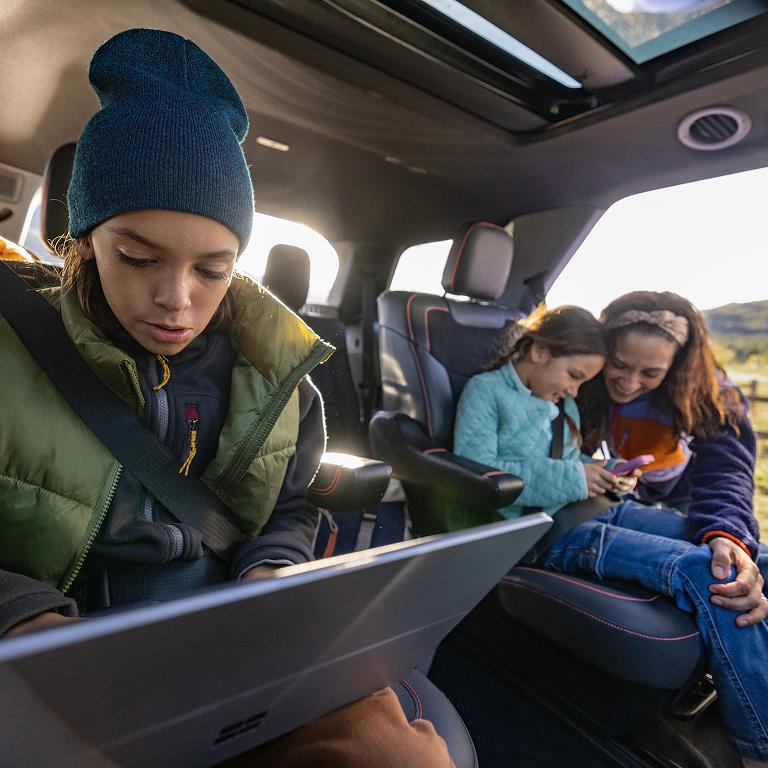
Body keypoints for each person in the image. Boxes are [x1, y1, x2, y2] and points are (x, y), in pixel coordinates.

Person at [0, 28, 454, 768]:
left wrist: (271, 571)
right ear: (84, 238)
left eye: (213, 269)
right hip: (62, 647)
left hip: (237, 634)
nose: (175, 300)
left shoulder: (281, 378)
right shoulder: (10, 352)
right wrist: (22, 617)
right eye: (138, 258)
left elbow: (290, 504)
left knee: (400, 756)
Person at [454, 302, 768, 767]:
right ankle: (760, 746)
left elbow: (566, 462)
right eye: (579, 375)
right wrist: (578, 479)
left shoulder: (558, 396)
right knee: (711, 571)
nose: (579, 390)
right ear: (539, 351)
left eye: (584, 381)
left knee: (752, 558)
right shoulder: (489, 392)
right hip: (548, 531)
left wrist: (602, 472)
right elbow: (479, 472)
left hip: (600, 508)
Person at [578, 291, 767, 617]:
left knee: (739, 557)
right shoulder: (583, 380)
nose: (629, 383)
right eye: (619, 365)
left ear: (677, 366)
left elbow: (727, 467)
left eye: (650, 373)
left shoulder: (710, 393)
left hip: (688, 495)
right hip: (627, 493)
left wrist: (726, 531)